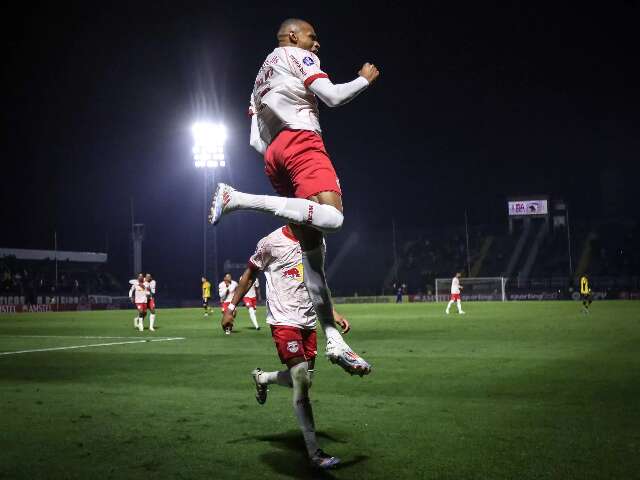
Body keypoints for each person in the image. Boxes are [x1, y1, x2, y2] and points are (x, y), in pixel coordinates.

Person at [209, 18, 378, 372]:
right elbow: (331, 97)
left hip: (274, 157)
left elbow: (255, 141)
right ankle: (237, 199)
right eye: (312, 38)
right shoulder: (296, 56)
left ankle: (334, 341)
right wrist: (364, 78)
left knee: (313, 263)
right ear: (293, 36)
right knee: (333, 218)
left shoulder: (260, 78)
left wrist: (279, 150)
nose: (316, 45)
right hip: (302, 144)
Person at [221, 225, 356, 469]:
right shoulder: (271, 242)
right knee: (302, 380)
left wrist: (332, 312)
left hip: (308, 321)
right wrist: (230, 308)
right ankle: (315, 453)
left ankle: (263, 378)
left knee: (303, 380)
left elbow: (318, 281)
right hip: (283, 320)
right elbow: (250, 274)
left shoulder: (317, 242)